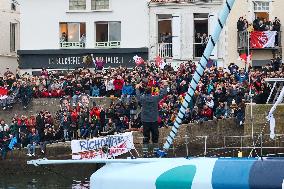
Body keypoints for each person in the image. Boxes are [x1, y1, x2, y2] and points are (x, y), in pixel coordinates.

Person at [136, 80, 168, 156]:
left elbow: (138, 95)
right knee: (155, 136)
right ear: (151, 92)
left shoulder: (142, 98)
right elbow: (163, 94)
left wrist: (137, 88)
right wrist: (165, 86)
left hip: (145, 120)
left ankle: (145, 153)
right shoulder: (155, 98)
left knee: (146, 137)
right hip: (154, 120)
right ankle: (155, 152)